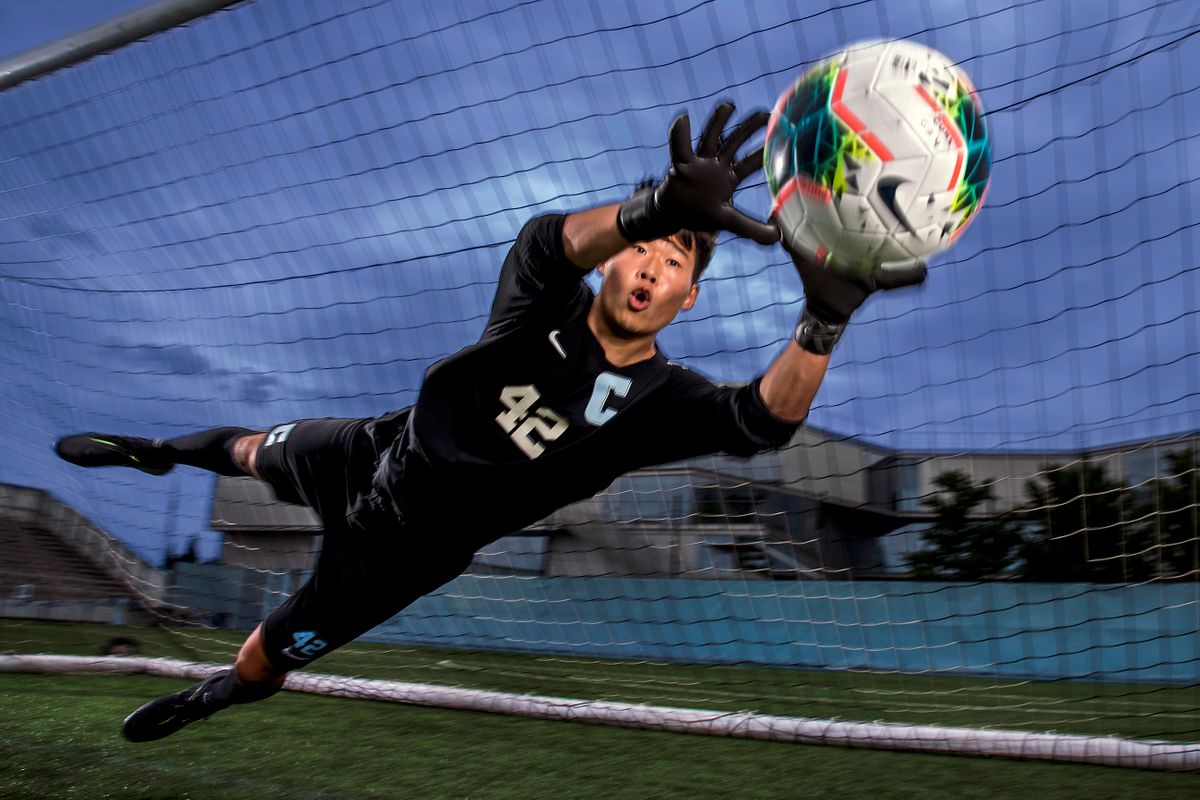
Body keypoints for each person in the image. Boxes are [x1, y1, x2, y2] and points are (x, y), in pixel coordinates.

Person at [55, 103, 924, 741]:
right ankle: (155, 454)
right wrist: (657, 206)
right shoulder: (542, 295)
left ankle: (207, 697)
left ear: (688, 299)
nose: (650, 269)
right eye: (644, 251)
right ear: (617, 259)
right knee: (247, 450)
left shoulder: (662, 402)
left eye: (671, 264)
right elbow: (552, 240)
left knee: (267, 656)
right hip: (372, 452)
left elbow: (763, 423)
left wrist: (821, 323)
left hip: (399, 559)